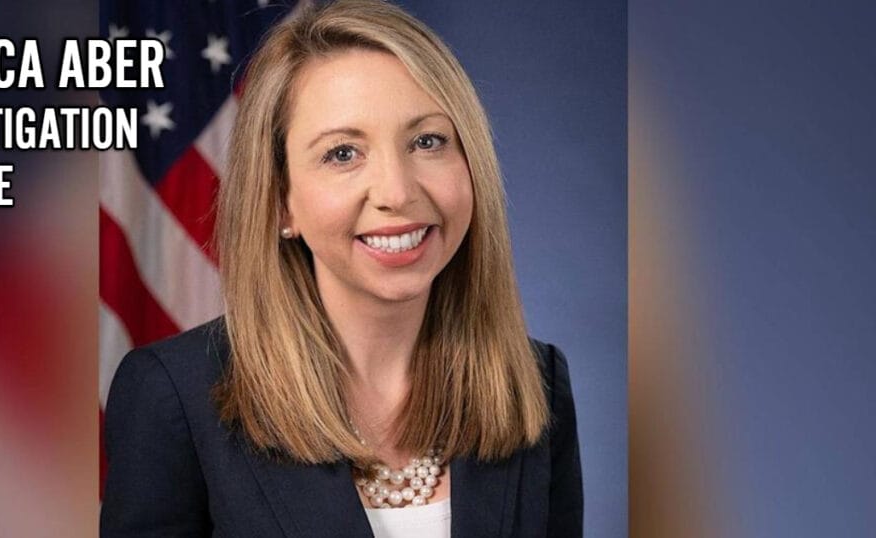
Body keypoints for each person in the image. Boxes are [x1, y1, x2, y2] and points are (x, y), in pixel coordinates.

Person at [100, 1, 582, 536]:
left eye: (428, 141)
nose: (397, 193)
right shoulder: (174, 397)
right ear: (282, 202)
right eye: (343, 153)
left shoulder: (538, 386)